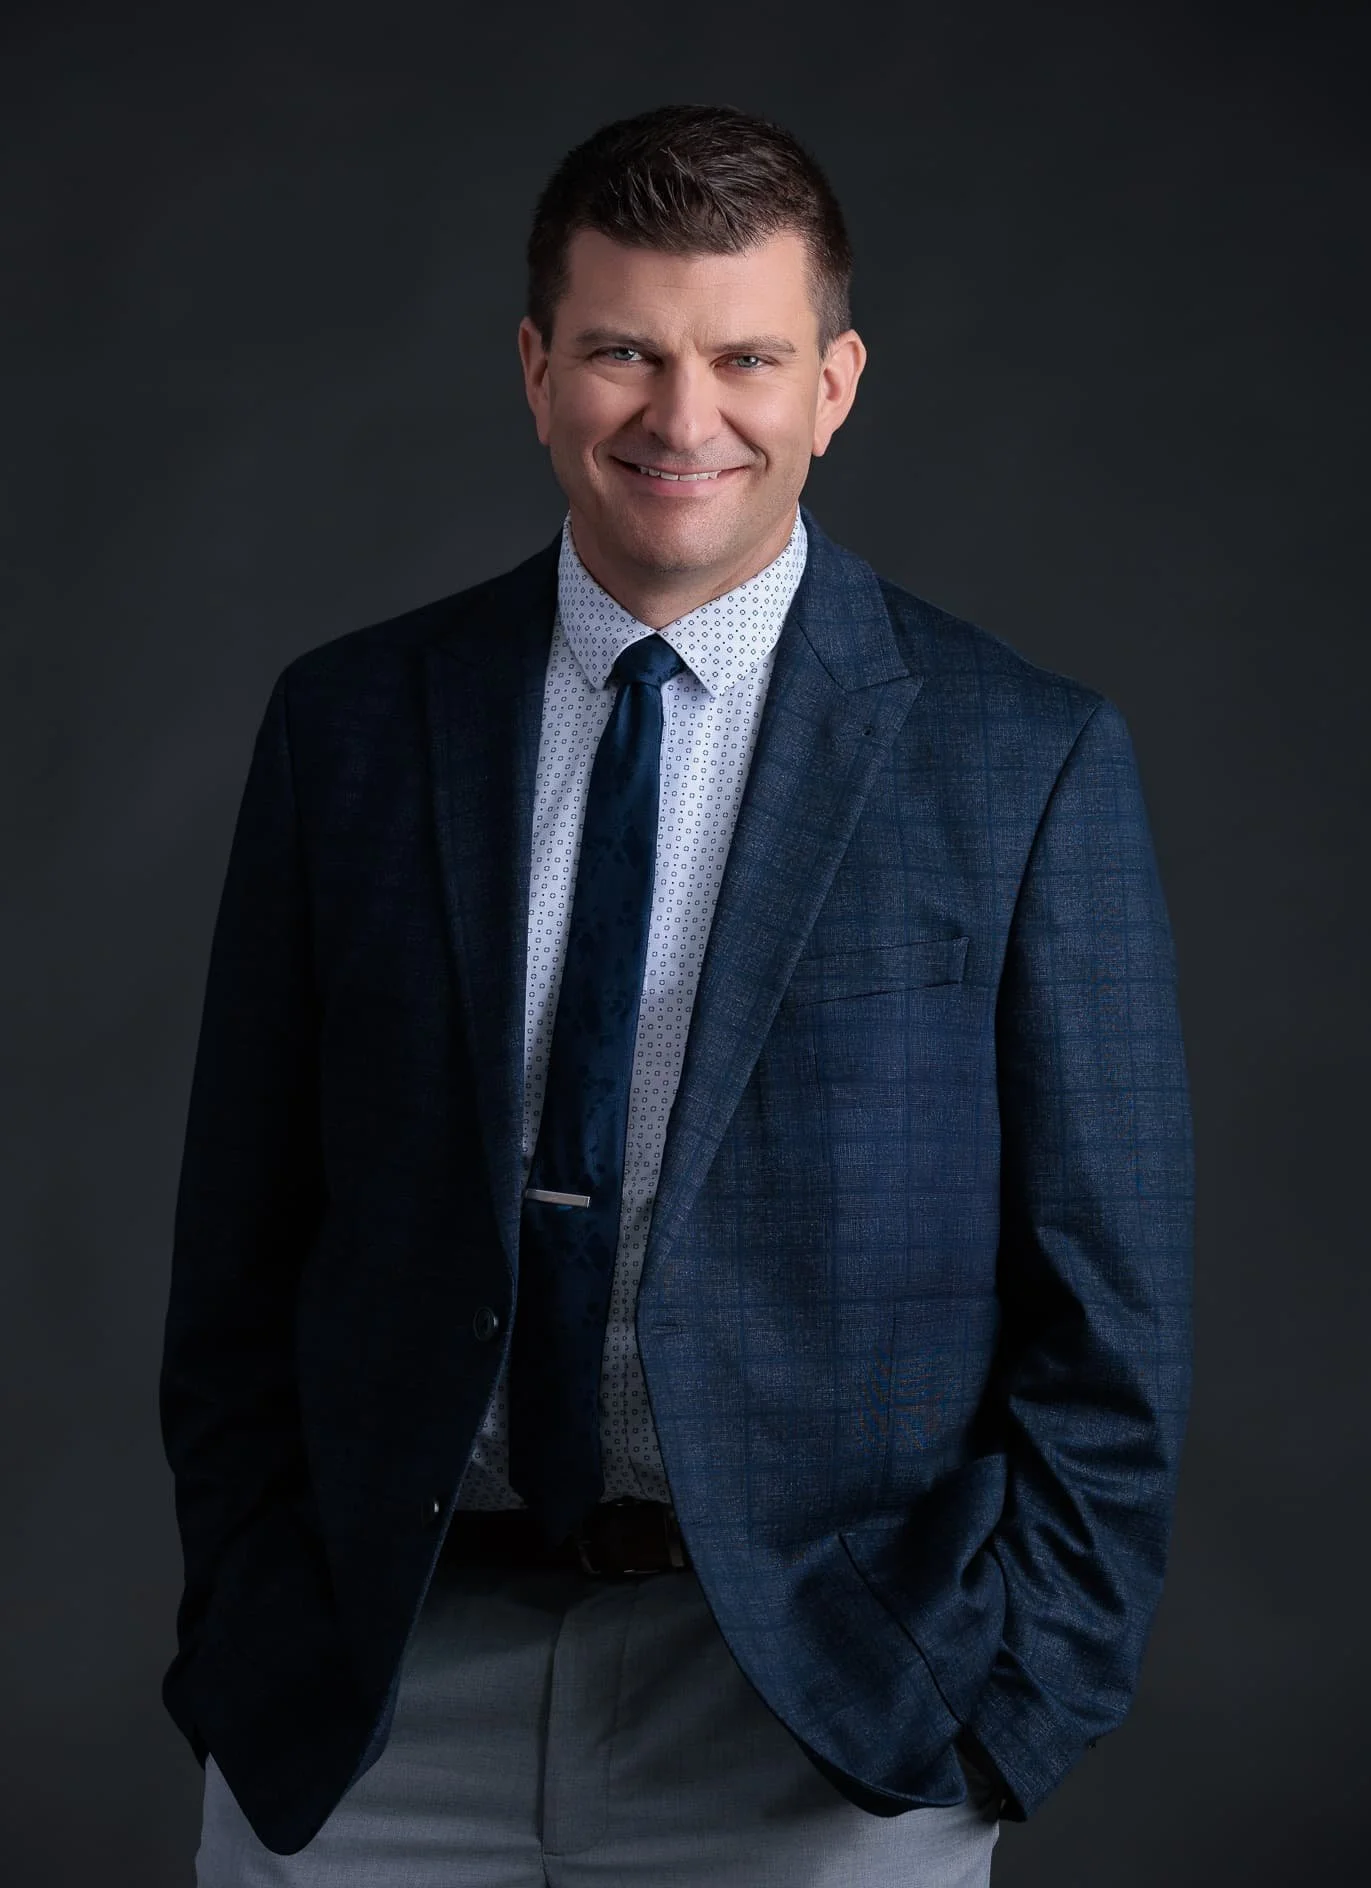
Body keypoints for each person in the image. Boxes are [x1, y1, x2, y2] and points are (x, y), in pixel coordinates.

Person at [161, 104, 1194, 1887]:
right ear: (534, 366)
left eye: (746, 358)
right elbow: (243, 1238)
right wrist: (259, 1586)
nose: (681, 417)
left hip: (825, 1704)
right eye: (624, 350)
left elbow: (1112, 1318)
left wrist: (1007, 1704)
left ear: (837, 383)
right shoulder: (348, 726)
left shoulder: (1019, 759)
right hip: (375, 1696)